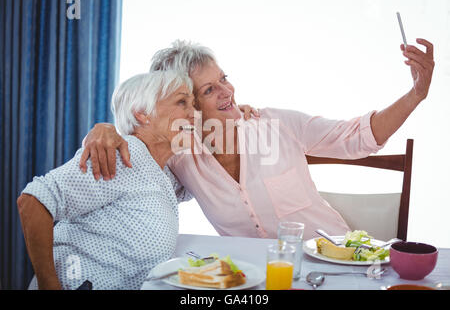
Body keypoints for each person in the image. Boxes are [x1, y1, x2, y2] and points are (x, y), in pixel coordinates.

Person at [80, 39, 434, 240]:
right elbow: (141, 178)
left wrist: (415, 94)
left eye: (224, 78)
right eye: (209, 89)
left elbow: (357, 137)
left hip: (330, 266)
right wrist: (107, 128)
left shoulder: (275, 124)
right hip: (250, 283)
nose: (227, 92)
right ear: (187, 105)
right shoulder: (179, 157)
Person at [17, 70, 198, 289]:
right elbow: (33, 200)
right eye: (182, 102)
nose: (194, 113)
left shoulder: (163, 174)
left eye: (193, 104)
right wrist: (49, 284)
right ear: (142, 113)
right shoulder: (123, 155)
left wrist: (240, 117)